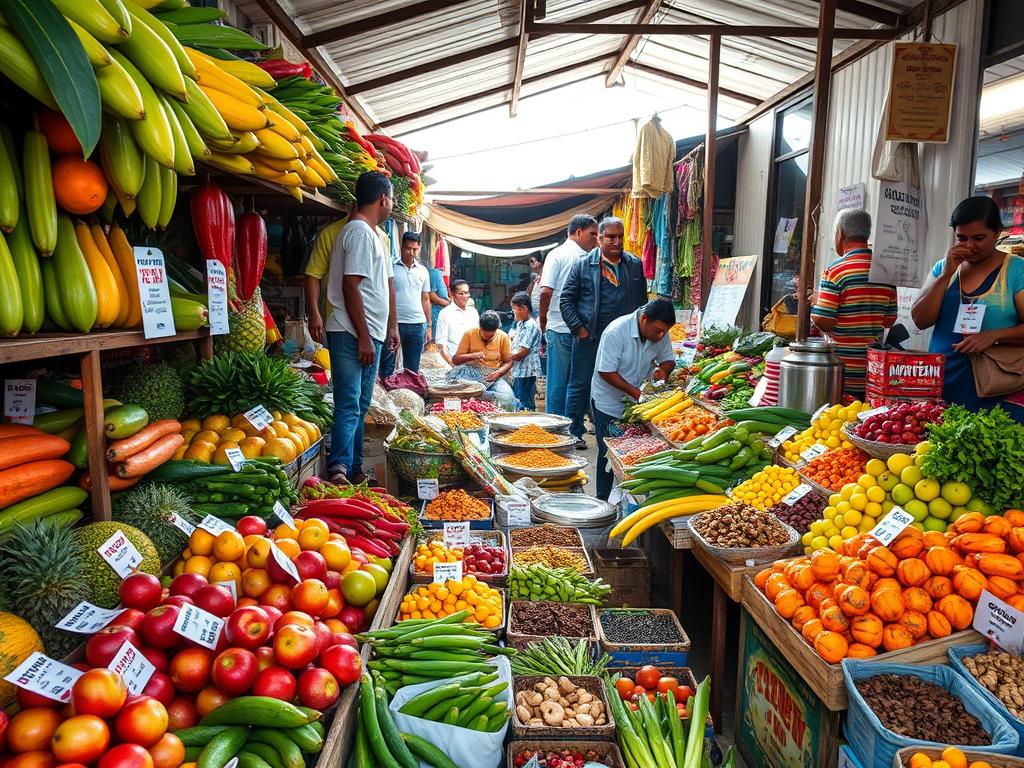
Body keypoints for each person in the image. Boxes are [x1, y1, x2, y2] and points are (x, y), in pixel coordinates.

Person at [911, 196, 1024, 419]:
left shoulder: (1016, 270)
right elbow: (920, 320)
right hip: (941, 383)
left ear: (997, 232)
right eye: (962, 238)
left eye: (978, 238)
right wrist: (945, 276)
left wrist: (994, 336)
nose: (970, 246)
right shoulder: (943, 268)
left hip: (994, 386)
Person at [324, 171, 399, 485]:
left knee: (359, 405)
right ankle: (339, 467)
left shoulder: (369, 233)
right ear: (383, 199)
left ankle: (354, 468)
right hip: (352, 333)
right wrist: (366, 338)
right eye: (392, 198)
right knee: (349, 401)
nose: (392, 204)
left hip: (366, 334)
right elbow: (350, 286)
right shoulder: (359, 232)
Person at [560, 216, 647, 449]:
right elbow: (566, 299)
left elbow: (642, 303)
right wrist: (579, 330)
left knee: (624, 382)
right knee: (580, 384)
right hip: (591, 337)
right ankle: (574, 432)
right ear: (599, 238)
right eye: (610, 237)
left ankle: (621, 430)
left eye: (620, 236)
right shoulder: (582, 264)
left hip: (624, 340)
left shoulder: (634, 264)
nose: (616, 241)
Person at [591, 299, 677, 499]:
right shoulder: (616, 332)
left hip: (638, 405)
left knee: (634, 453)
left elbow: (668, 359)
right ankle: (603, 501)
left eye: (665, 332)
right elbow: (606, 371)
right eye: (658, 331)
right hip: (609, 403)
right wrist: (636, 394)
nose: (661, 335)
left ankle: (630, 500)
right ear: (644, 319)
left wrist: (663, 371)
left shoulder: (659, 332)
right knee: (608, 453)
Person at [811, 208, 897, 397]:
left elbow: (824, 321)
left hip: (842, 371)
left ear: (840, 233)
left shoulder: (836, 270)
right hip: (873, 370)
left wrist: (817, 304)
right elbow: (889, 321)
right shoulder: (886, 271)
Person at [540, 215, 598, 416]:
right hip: (576, 328)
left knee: (559, 383)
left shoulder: (557, 255)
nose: (596, 239)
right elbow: (546, 291)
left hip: (561, 327)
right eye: (593, 234)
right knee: (577, 383)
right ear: (579, 232)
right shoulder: (583, 258)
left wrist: (543, 321)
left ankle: (557, 432)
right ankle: (572, 430)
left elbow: (546, 291)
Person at [303, 216, 391, 344]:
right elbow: (313, 275)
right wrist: (314, 313)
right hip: (340, 323)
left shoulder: (382, 237)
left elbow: (389, 281)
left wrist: (392, 325)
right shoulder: (331, 233)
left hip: (374, 326)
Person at [380, 231, 431, 378]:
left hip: (417, 324)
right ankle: (387, 394)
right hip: (393, 324)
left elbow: (425, 298)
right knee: (387, 365)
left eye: (415, 249)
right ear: (401, 247)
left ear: (419, 248)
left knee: (412, 368)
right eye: (408, 248)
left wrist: (428, 326)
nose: (411, 252)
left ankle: (409, 396)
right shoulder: (391, 267)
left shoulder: (423, 272)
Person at [449, 310, 516, 405]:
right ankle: (478, 394)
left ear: (497, 329)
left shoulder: (503, 337)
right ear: (479, 326)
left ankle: (478, 395)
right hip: (469, 376)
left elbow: (509, 362)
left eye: (491, 336)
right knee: (456, 394)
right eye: (484, 334)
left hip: (493, 377)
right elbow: (455, 360)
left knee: (509, 399)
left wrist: (498, 373)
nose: (488, 338)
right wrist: (472, 356)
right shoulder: (469, 334)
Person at [508, 291, 542, 410]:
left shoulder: (531, 326)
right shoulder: (520, 324)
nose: (513, 312)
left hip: (527, 371)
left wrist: (502, 356)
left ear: (523, 308)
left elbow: (521, 353)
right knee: (520, 400)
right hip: (519, 370)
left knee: (523, 402)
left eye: (514, 308)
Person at [435, 279, 479, 364]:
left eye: (466, 293)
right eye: (461, 293)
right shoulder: (445, 314)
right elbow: (441, 344)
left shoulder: (473, 312)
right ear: (452, 295)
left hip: (474, 361)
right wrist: (452, 364)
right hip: (455, 360)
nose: (465, 296)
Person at [528, 252, 544, 317]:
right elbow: (529, 291)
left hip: (542, 309)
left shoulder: (546, 273)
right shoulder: (538, 275)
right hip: (536, 308)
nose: (531, 265)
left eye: (531, 262)